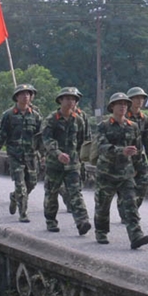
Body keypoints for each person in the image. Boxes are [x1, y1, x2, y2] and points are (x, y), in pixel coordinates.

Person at [94, 92, 148, 249]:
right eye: (119, 104)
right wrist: (121, 150)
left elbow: (138, 151)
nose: (123, 106)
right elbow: (101, 147)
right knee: (103, 205)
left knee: (130, 204)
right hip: (106, 173)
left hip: (126, 174)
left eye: (125, 104)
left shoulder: (133, 127)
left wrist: (141, 170)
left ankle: (135, 234)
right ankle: (101, 231)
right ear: (112, 107)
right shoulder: (103, 126)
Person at [42, 87, 92, 235]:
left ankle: (82, 221)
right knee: (51, 193)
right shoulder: (51, 119)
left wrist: (81, 159)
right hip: (54, 164)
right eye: (68, 98)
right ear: (61, 100)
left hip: (72, 164)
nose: (71, 102)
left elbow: (83, 140)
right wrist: (57, 153)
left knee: (75, 193)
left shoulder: (79, 120)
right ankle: (51, 221)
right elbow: (47, 139)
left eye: (73, 99)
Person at [0, 84, 43, 223]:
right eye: (22, 94)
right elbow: (0, 136)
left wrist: (44, 155)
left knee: (31, 183)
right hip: (15, 156)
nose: (25, 96)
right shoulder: (8, 115)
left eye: (28, 94)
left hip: (31, 156)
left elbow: (41, 138)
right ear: (17, 97)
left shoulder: (36, 116)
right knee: (20, 185)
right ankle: (23, 213)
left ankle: (14, 197)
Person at [127, 87, 148, 208]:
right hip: (125, 158)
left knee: (144, 183)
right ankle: (127, 212)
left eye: (142, 98)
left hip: (140, 157)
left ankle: (132, 209)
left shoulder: (145, 119)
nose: (140, 100)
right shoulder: (124, 118)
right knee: (126, 186)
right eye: (136, 98)